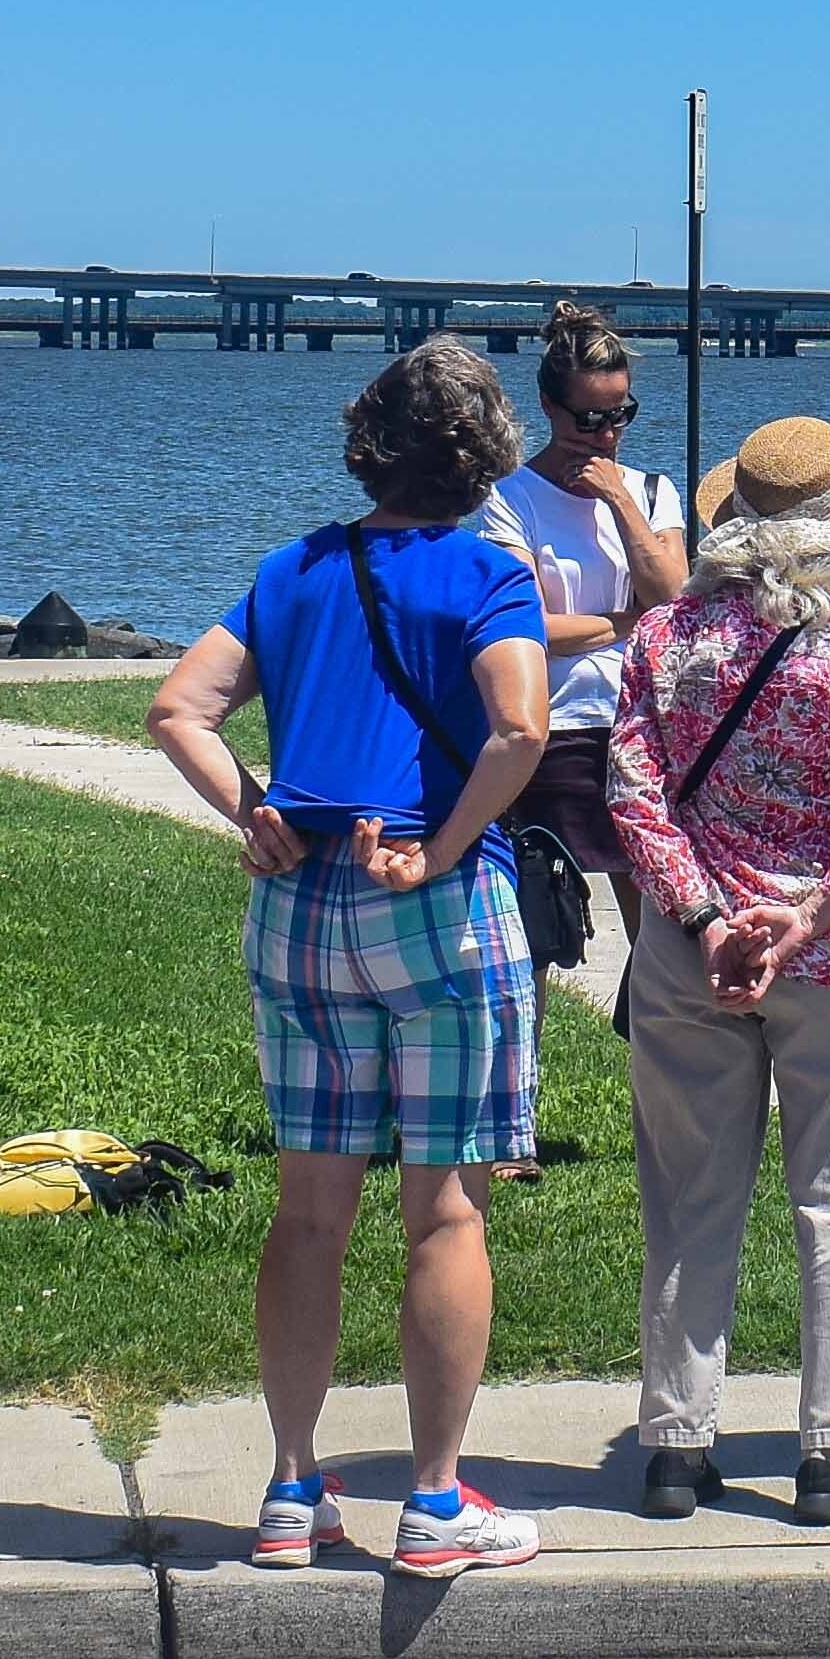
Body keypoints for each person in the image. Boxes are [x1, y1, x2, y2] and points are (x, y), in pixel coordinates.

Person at [150, 340, 558, 1578]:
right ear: (487, 455)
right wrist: (444, 848)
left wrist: (253, 809)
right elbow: (519, 725)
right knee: (442, 1207)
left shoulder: (295, 569)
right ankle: (432, 1500)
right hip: (425, 901)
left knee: (309, 1209)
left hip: (302, 901)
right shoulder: (489, 573)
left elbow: (179, 707)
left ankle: (290, 1483)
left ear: (367, 441)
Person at [601, 417, 830, 1526]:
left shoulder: (662, 640)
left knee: (690, 1196)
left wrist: (701, 917)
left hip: (687, 951)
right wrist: (804, 915)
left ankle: (674, 1442)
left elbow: (632, 796)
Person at [478, 300, 689, 963]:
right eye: (589, 418)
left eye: (620, 416)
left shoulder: (651, 491)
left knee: (658, 931)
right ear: (548, 407)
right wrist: (626, 622)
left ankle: (661, 1055)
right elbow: (527, 628)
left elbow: (674, 599)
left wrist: (619, 501)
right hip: (556, 726)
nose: (604, 434)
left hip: (640, 726)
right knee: (539, 928)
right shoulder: (508, 499)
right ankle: (524, 1064)